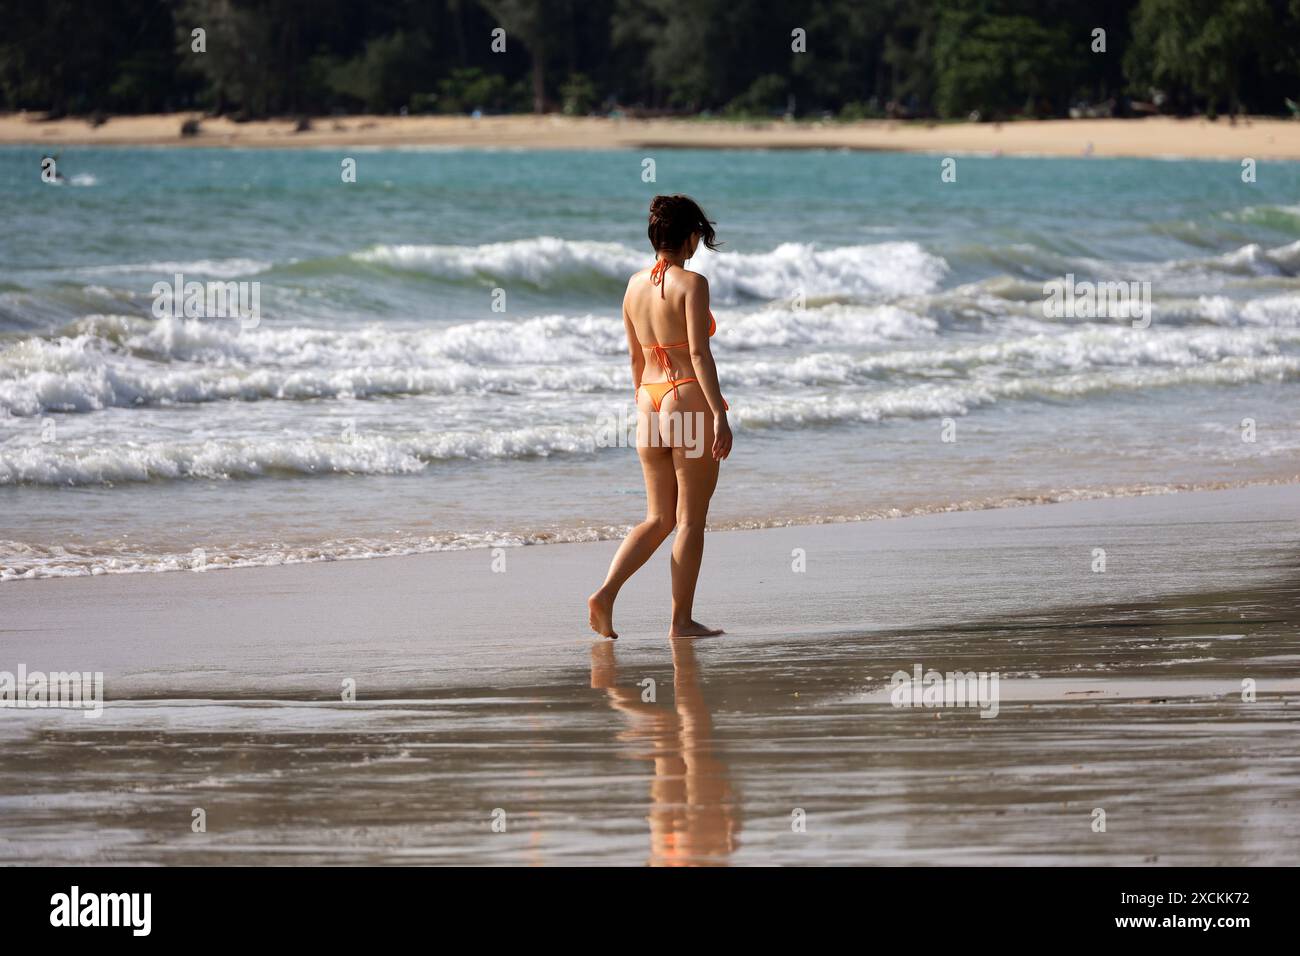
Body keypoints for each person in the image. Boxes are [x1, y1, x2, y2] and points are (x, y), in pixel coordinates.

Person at [588, 195, 732, 639]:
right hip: (686, 397)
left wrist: (643, 405)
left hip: (648, 401)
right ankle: (680, 621)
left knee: (657, 518)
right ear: (689, 237)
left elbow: (635, 357)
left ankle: (606, 593)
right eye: (697, 238)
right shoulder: (692, 283)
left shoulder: (632, 286)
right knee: (689, 520)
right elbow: (697, 353)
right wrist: (719, 414)